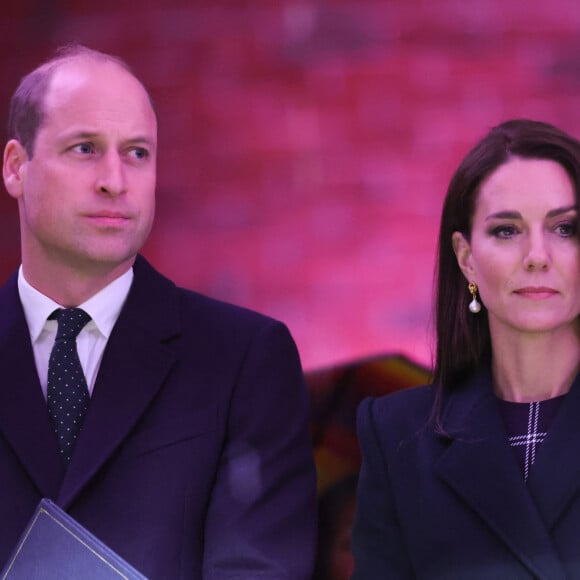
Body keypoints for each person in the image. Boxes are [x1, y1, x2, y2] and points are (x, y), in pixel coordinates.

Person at [0, 44, 317, 578]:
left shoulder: (243, 359)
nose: (115, 181)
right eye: (84, 149)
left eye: (137, 153)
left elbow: (260, 569)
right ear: (15, 168)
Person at [351, 119, 580, 579]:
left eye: (565, 228)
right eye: (506, 231)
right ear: (466, 258)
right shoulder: (397, 436)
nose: (537, 256)